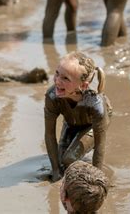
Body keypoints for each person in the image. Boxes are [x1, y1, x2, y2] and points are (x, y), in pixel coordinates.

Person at [44, 52, 112, 182]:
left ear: (83, 85)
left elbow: (99, 145)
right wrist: (56, 171)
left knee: (69, 158)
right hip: (72, 121)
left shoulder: (95, 103)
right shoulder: (52, 96)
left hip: (92, 124)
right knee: (60, 163)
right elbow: (49, 135)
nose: (57, 81)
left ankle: (99, 172)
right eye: (57, 73)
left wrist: (96, 178)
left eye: (65, 78)